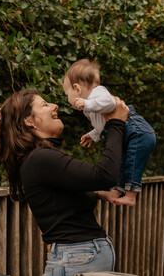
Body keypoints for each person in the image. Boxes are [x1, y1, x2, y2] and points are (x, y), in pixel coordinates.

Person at [0, 88, 130, 276]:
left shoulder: (41, 158)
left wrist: (96, 193)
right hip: (75, 260)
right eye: (45, 104)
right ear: (29, 120)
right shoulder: (40, 158)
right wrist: (115, 124)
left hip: (78, 260)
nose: (55, 106)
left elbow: (62, 202)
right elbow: (104, 175)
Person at [62, 58, 156, 207]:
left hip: (137, 132)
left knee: (132, 163)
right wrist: (93, 135)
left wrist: (87, 103)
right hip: (128, 132)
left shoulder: (97, 93)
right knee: (121, 163)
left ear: (77, 88)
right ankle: (115, 191)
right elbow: (103, 125)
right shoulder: (92, 104)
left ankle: (131, 196)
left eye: (67, 94)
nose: (68, 99)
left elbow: (110, 103)